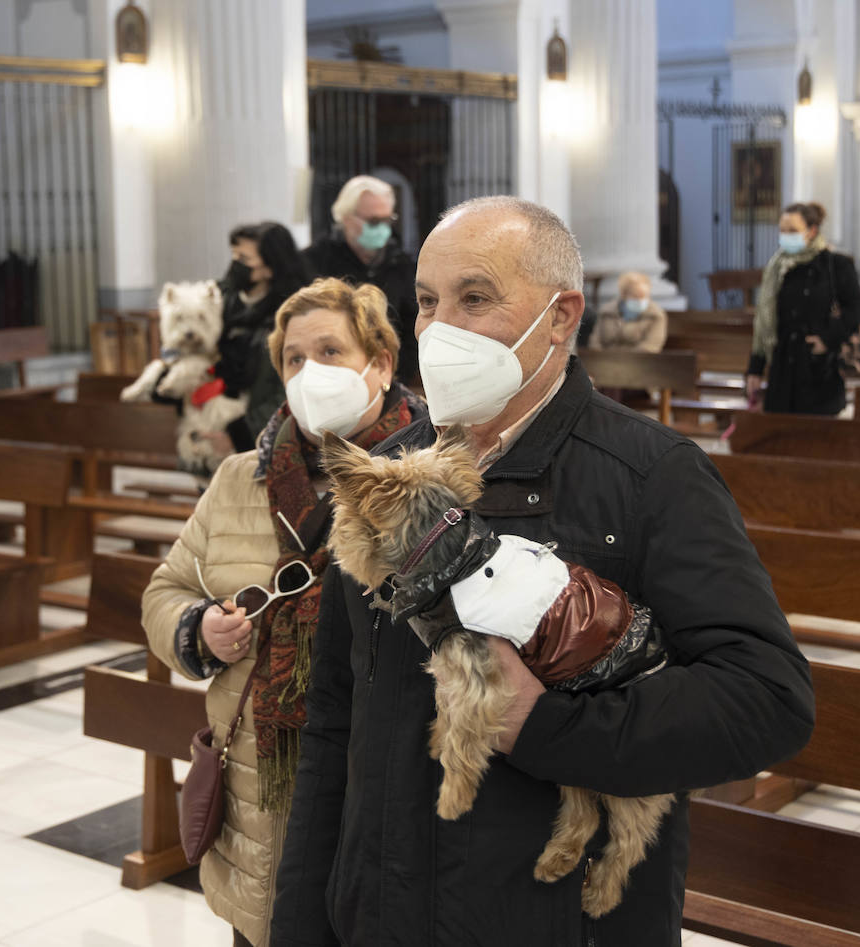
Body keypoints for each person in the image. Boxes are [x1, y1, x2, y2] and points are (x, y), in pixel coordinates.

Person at [271, 196, 814, 946]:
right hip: (383, 912)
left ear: (560, 317)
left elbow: (767, 698)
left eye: (475, 298)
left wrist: (542, 723)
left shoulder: (652, 476)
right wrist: (305, 921)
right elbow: (335, 719)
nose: (438, 328)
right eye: (427, 301)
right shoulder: (386, 474)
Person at [142, 277, 426, 947]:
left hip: (380, 800)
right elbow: (165, 589)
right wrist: (198, 629)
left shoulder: (428, 477)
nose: (311, 372)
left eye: (331, 350)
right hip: (259, 808)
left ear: (380, 363)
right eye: (294, 360)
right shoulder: (240, 477)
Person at [745, 202, 860, 415]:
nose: (786, 236)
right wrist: (755, 369)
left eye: (793, 231)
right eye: (782, 230)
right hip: (782, 372)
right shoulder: (777, 268)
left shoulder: (835, 265)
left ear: (812, 231)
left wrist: (827, 338)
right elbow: (765, 323)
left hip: (819, 372)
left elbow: (857, 309)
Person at [304, 175, 420, 384]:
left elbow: (413, 323)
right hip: (331, 377)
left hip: (391, 378)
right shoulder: (313, 262)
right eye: (374, 221)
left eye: (387, 220)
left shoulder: (401, 263)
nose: (383, 229)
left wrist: (396, 373)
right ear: (346, 217)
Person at [218, 222, 313, 451]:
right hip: (217, 423)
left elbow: (289, 390)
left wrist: (238, 433)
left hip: (264, 437)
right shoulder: (223, 302)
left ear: (270, 267)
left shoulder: (293, 316)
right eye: (233, 255)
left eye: (244, 259)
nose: (235, 265)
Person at [587, 270, 668, 353]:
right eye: (635, 296)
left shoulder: (655, 315)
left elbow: (651, 346)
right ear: (624, 295)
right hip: (603, 361)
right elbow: (595, 341)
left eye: (644, 296)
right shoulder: (606, 312)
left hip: (639, 362)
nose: (640, 301)